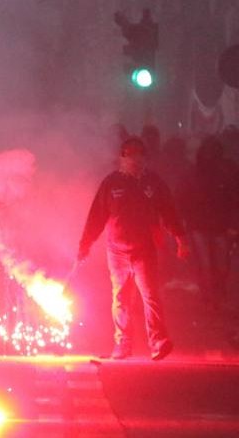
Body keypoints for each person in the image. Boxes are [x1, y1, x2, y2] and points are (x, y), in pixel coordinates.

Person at [77, 137, 189, 360]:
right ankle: (123, 344)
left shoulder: (154, 183)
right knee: (121, 298)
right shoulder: (111, 184)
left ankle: (157, 341)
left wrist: (180, 238)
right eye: (130, 154)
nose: (135, 159)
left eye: (139, 154)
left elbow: (169, 211)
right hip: (116, 251)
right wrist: (85, 244)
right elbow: (96, 217)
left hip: (144, 250)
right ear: (122, 158)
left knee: (151, 296)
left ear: (145, 157)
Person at [176, 136, 239, 311]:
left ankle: (217, 292)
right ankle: (209, 297)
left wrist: (234, 225)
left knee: (221, 264)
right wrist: (183, 221)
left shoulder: (228, 172)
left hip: (220, 227)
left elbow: (235, 199)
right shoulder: (192, 173)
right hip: (199, 226)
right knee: (204, 263)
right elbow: (182, 197)